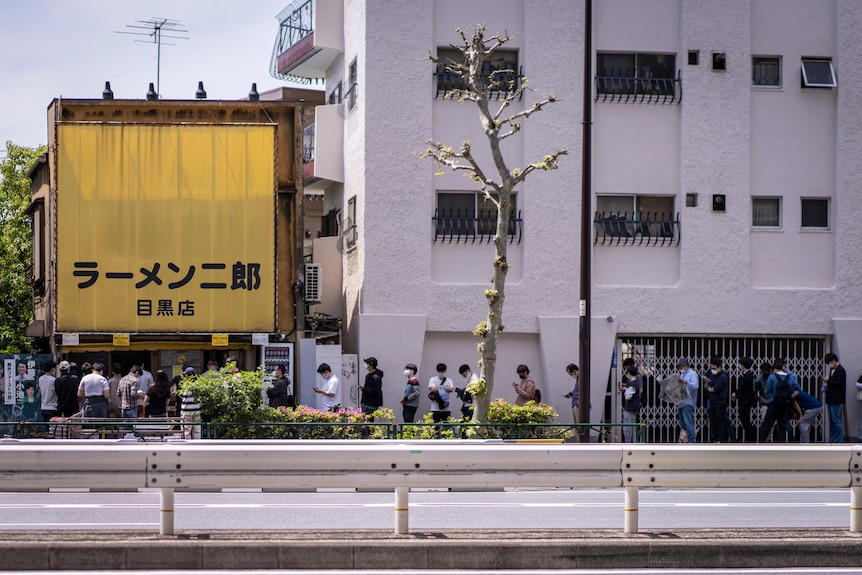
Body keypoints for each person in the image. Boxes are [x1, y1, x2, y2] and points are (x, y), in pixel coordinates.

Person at [759, 359, 801, 443]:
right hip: (785, 404)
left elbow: (767, 390)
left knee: (767, 423)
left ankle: (761, 442)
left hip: (774, 403)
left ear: (775, 368)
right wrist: (789, 397)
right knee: (782, 424)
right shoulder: (790, 377)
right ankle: (780, 443)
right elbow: (797, 390)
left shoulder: (772, 377)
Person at [731, 357, 758, 442]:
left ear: (743, 365)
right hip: (745, 400)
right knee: (744, 418)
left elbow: (743, 387)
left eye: (740, 364)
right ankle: (750, 438)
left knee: (744, 418)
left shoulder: (749, 375)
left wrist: (736, 393)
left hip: (746, 401)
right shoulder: (748, 374)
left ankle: (751, 438)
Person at [703, 357, 729, 443]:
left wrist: (710, 388)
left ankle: (721, 440)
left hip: (720, 402)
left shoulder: (723, 376)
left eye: (714, 368)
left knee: (720, 422)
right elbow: (706, 388)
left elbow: (713, 389)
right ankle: (715, 439)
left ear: (719, 367)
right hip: (712, 402)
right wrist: (706, 382)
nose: (712, 370)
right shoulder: (711, 375)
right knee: (713, 421)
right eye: (711, 368)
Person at [822, 353, 846, 443]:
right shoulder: (833, 370)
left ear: (833, 360)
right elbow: (832, 383)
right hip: (831, 398)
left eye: (829, 362)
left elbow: (839, 383)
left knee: (836, 420)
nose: (829, 364)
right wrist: (825, 386)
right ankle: (833, 439)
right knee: (832, 420)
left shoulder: (841, 370)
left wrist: (829, 380)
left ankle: (839, 440)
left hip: (836, 399)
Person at [675, 358, 699, 443]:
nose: (680, 369)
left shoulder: (692, 374)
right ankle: (685, 440)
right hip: (681, 402)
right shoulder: (682, 374)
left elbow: (695, 386)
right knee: (683, 424)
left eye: (680, 367)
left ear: (685, 365)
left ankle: (692, 441)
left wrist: (686, 382)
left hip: (688, 402)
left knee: (688, 423)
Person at [618, 366, 642, 443]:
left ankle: (628, 443)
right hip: (634, 408)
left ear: (629, 373)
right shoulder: (636, 383)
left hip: (630, 408)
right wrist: (626, 389)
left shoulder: (633, 384)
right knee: (633, 427)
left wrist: (626, 393)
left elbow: (628, 397)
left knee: (628, 428)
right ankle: (634, 443)